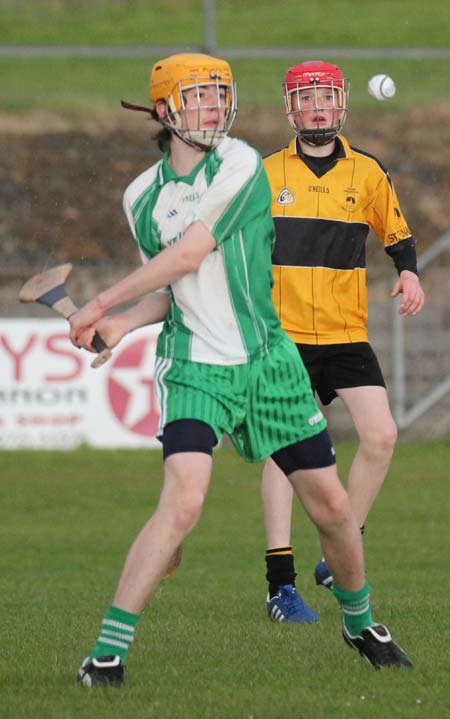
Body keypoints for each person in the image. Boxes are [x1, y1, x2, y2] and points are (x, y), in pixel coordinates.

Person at [69, 53, 412, 686]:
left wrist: (99, 303)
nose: (216, 109)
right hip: (195, 365)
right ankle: (107, 654)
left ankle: (360, 622)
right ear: (166, 111)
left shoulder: (240, 163)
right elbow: (174, 286)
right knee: (184, 501)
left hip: (268, 362)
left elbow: (193, 251)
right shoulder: (141, 197)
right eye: (200, 98)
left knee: (334, 509)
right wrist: (121, 323)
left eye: (220, 96)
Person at [261, 60, 425, 624]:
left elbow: (397, 233)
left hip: (345, 332)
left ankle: (342, 545)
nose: (317, 108)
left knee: (381, 436)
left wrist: (409, 272)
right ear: (290, 108)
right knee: (285, 457)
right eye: (306, 99)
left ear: (341, 104)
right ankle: (279, 585)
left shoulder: (367, 172)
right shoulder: (264, 174)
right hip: (283, 338)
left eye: (326, 98)